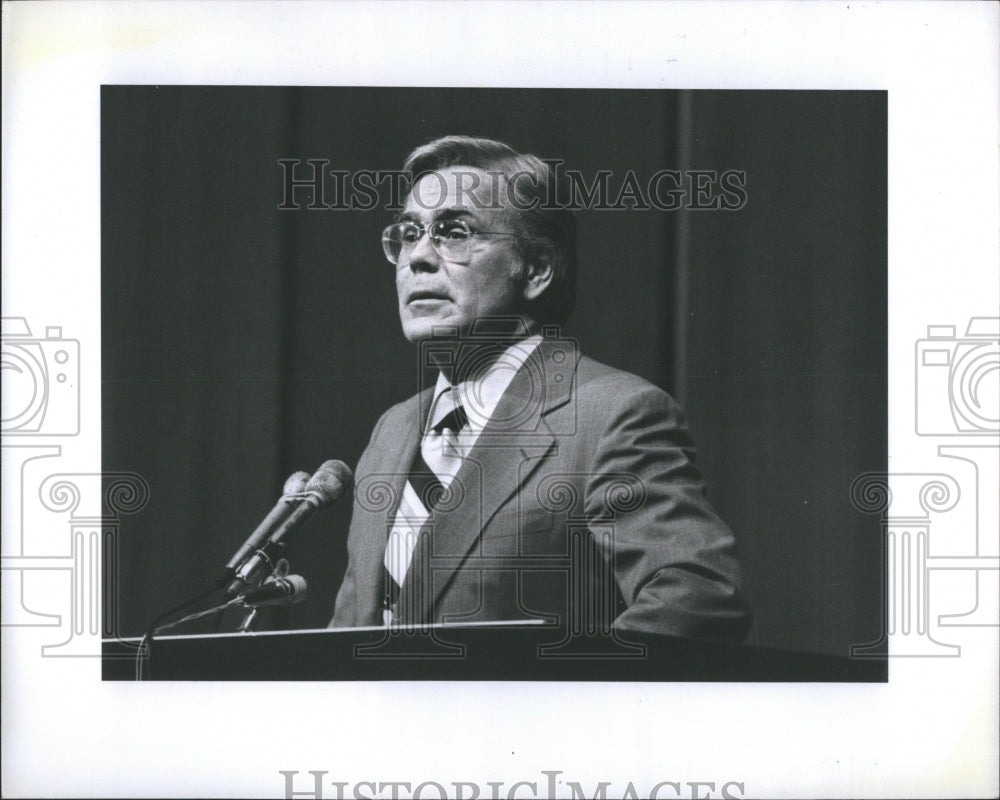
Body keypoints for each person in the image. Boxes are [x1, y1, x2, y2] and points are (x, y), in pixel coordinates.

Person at [330, 135, 752, 643]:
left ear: (536, 269)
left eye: (454, 232)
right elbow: (350, 635)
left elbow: (700, 596)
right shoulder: (392, 431)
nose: (417, 257)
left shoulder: (612, 413)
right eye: (408, 233)